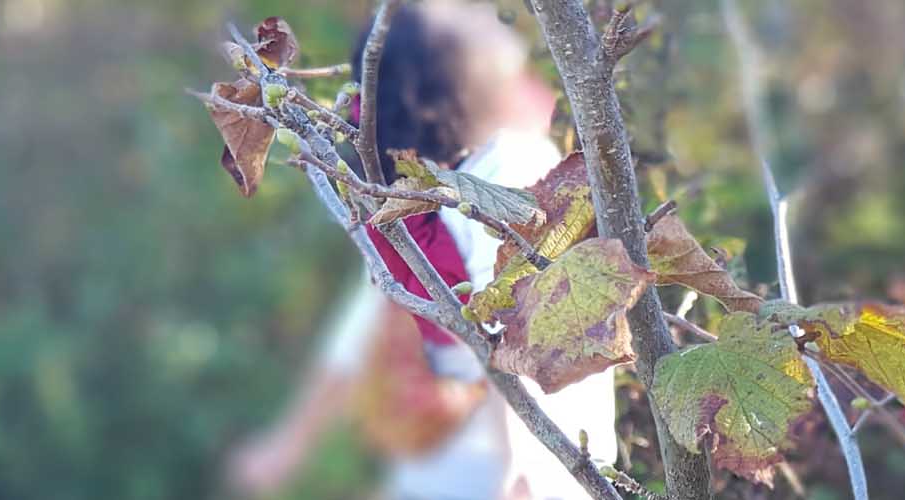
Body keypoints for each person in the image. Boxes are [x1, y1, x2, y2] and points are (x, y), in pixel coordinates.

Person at [227, 2, 617, 499]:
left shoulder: (420, 200)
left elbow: (365, 321)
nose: (481, 13)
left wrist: (288, 444)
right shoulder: (513, 171)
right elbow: (503, 338)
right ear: (448, 78)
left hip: (462, 463)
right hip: (521, 468)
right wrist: (519, 473)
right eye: (462, 16)